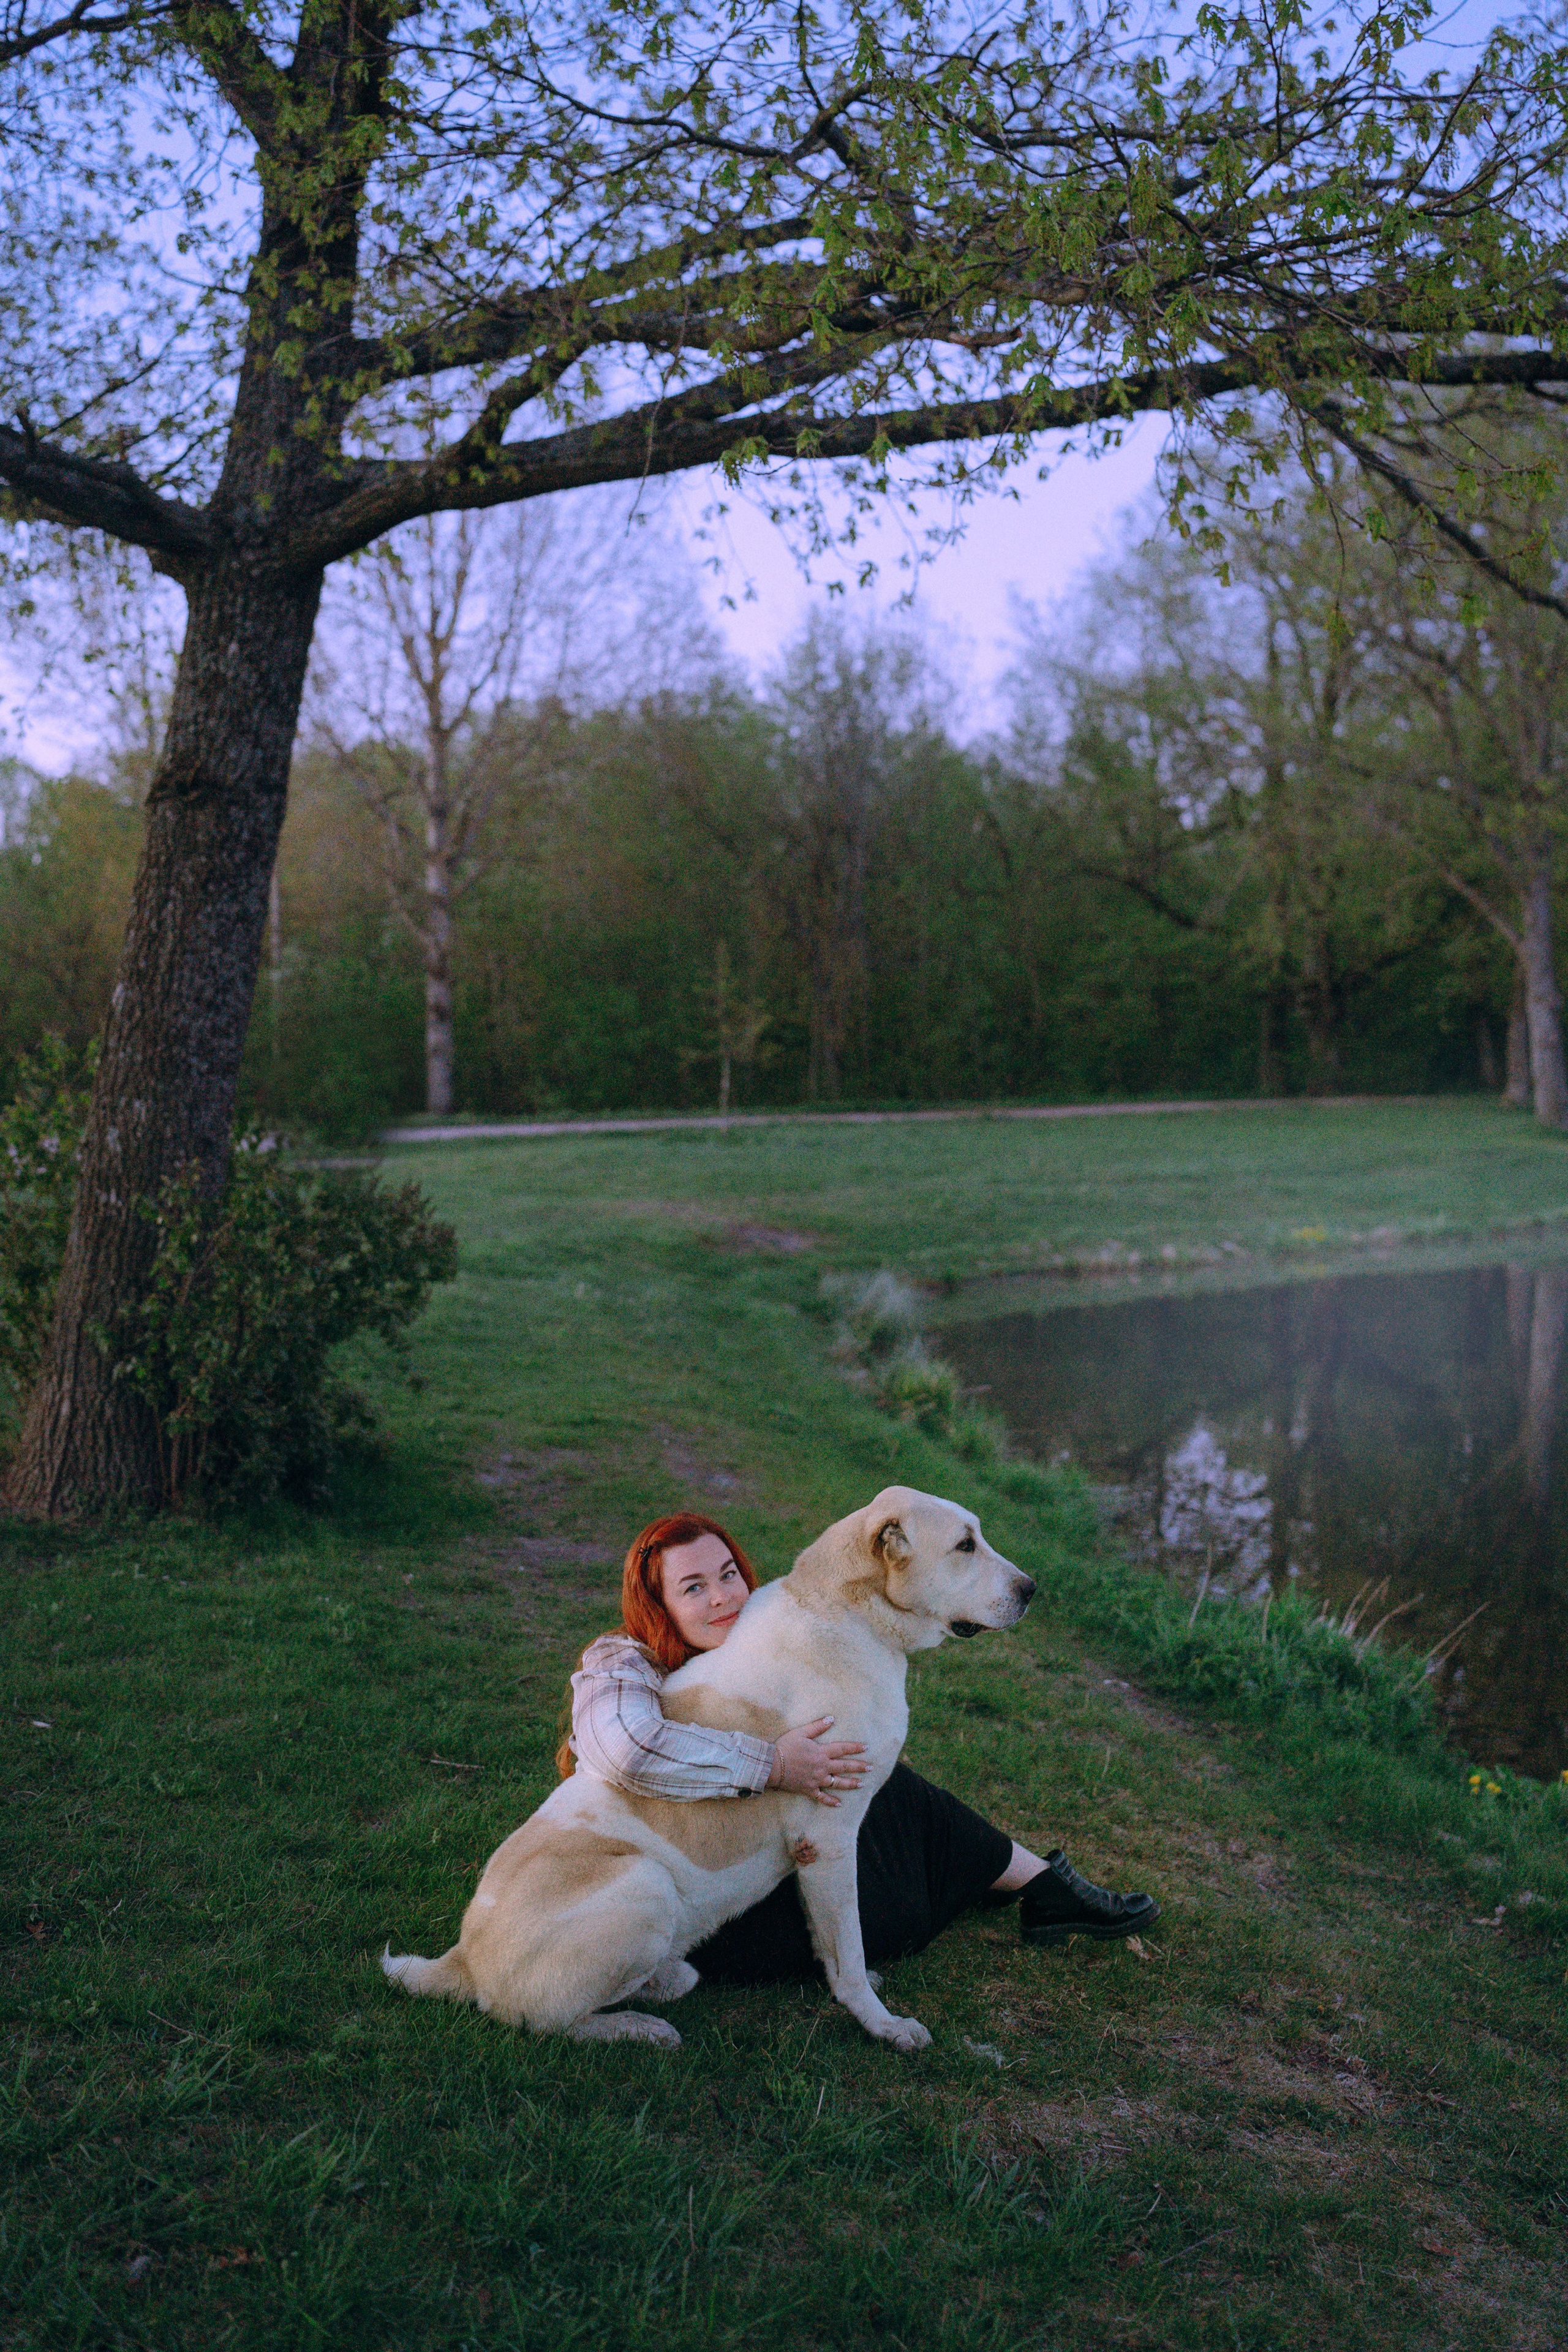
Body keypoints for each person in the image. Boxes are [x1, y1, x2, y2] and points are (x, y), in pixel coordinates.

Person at [558, 1510, 1158, 1985]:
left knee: (867, 1765)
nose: (722, 1597)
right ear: (657, 1606)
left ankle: (1039, 1887)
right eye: (692, 1587)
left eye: (728, 1574)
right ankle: (1000, 1884)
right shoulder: (622, 1661)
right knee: (899, 1916)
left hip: (760, 1848)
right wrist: (772, 1764)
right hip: (681, 1891)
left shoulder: (756, 1645)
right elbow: (627, 1751)